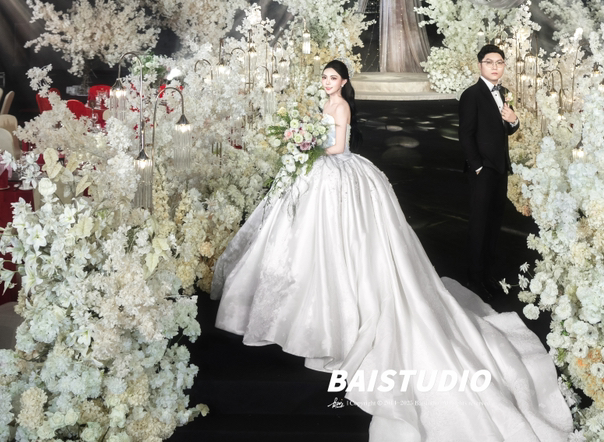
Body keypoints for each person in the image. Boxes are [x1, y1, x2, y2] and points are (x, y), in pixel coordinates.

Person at [212, 60, 571, 442]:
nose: (327, 82)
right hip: (323, 171)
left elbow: (338, 146)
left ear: (344, 81)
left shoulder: (341, 106)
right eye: (324, 77)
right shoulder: (326, 103)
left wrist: (307, 145)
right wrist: (305, 145)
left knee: (349, 237)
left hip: (337, 169)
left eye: (333, 78)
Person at [458, 45, 518, 302]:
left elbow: (506, 129)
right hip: (482, 170)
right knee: (479, 225)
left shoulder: (504, 92)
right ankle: (474, 278)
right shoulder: (471, 95)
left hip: (500, 168)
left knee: (494, 224)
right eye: (489, 62)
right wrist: (477, 166)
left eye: (499, 62)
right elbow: (466, 134)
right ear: (480, 65)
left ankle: (487, 275)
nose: (495, 67)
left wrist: (513, 120)